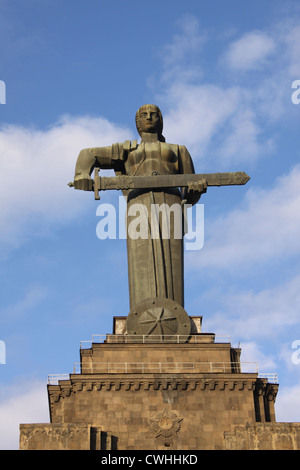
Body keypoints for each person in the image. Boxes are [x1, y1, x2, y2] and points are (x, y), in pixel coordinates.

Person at [73, 104, 206, 311]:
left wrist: (195, 190)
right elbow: (88, 154)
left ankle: (173, 312)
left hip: (171, 204)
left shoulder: (179, 150)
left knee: (172, 260)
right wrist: (81, 175)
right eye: (144, 115)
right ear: (137, 122)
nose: (149, 117)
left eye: (154, 114)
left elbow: (189, 194)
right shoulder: (128, 150)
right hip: (138, 204)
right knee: (140, 257)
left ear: (161, 120)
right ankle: (142, 313)